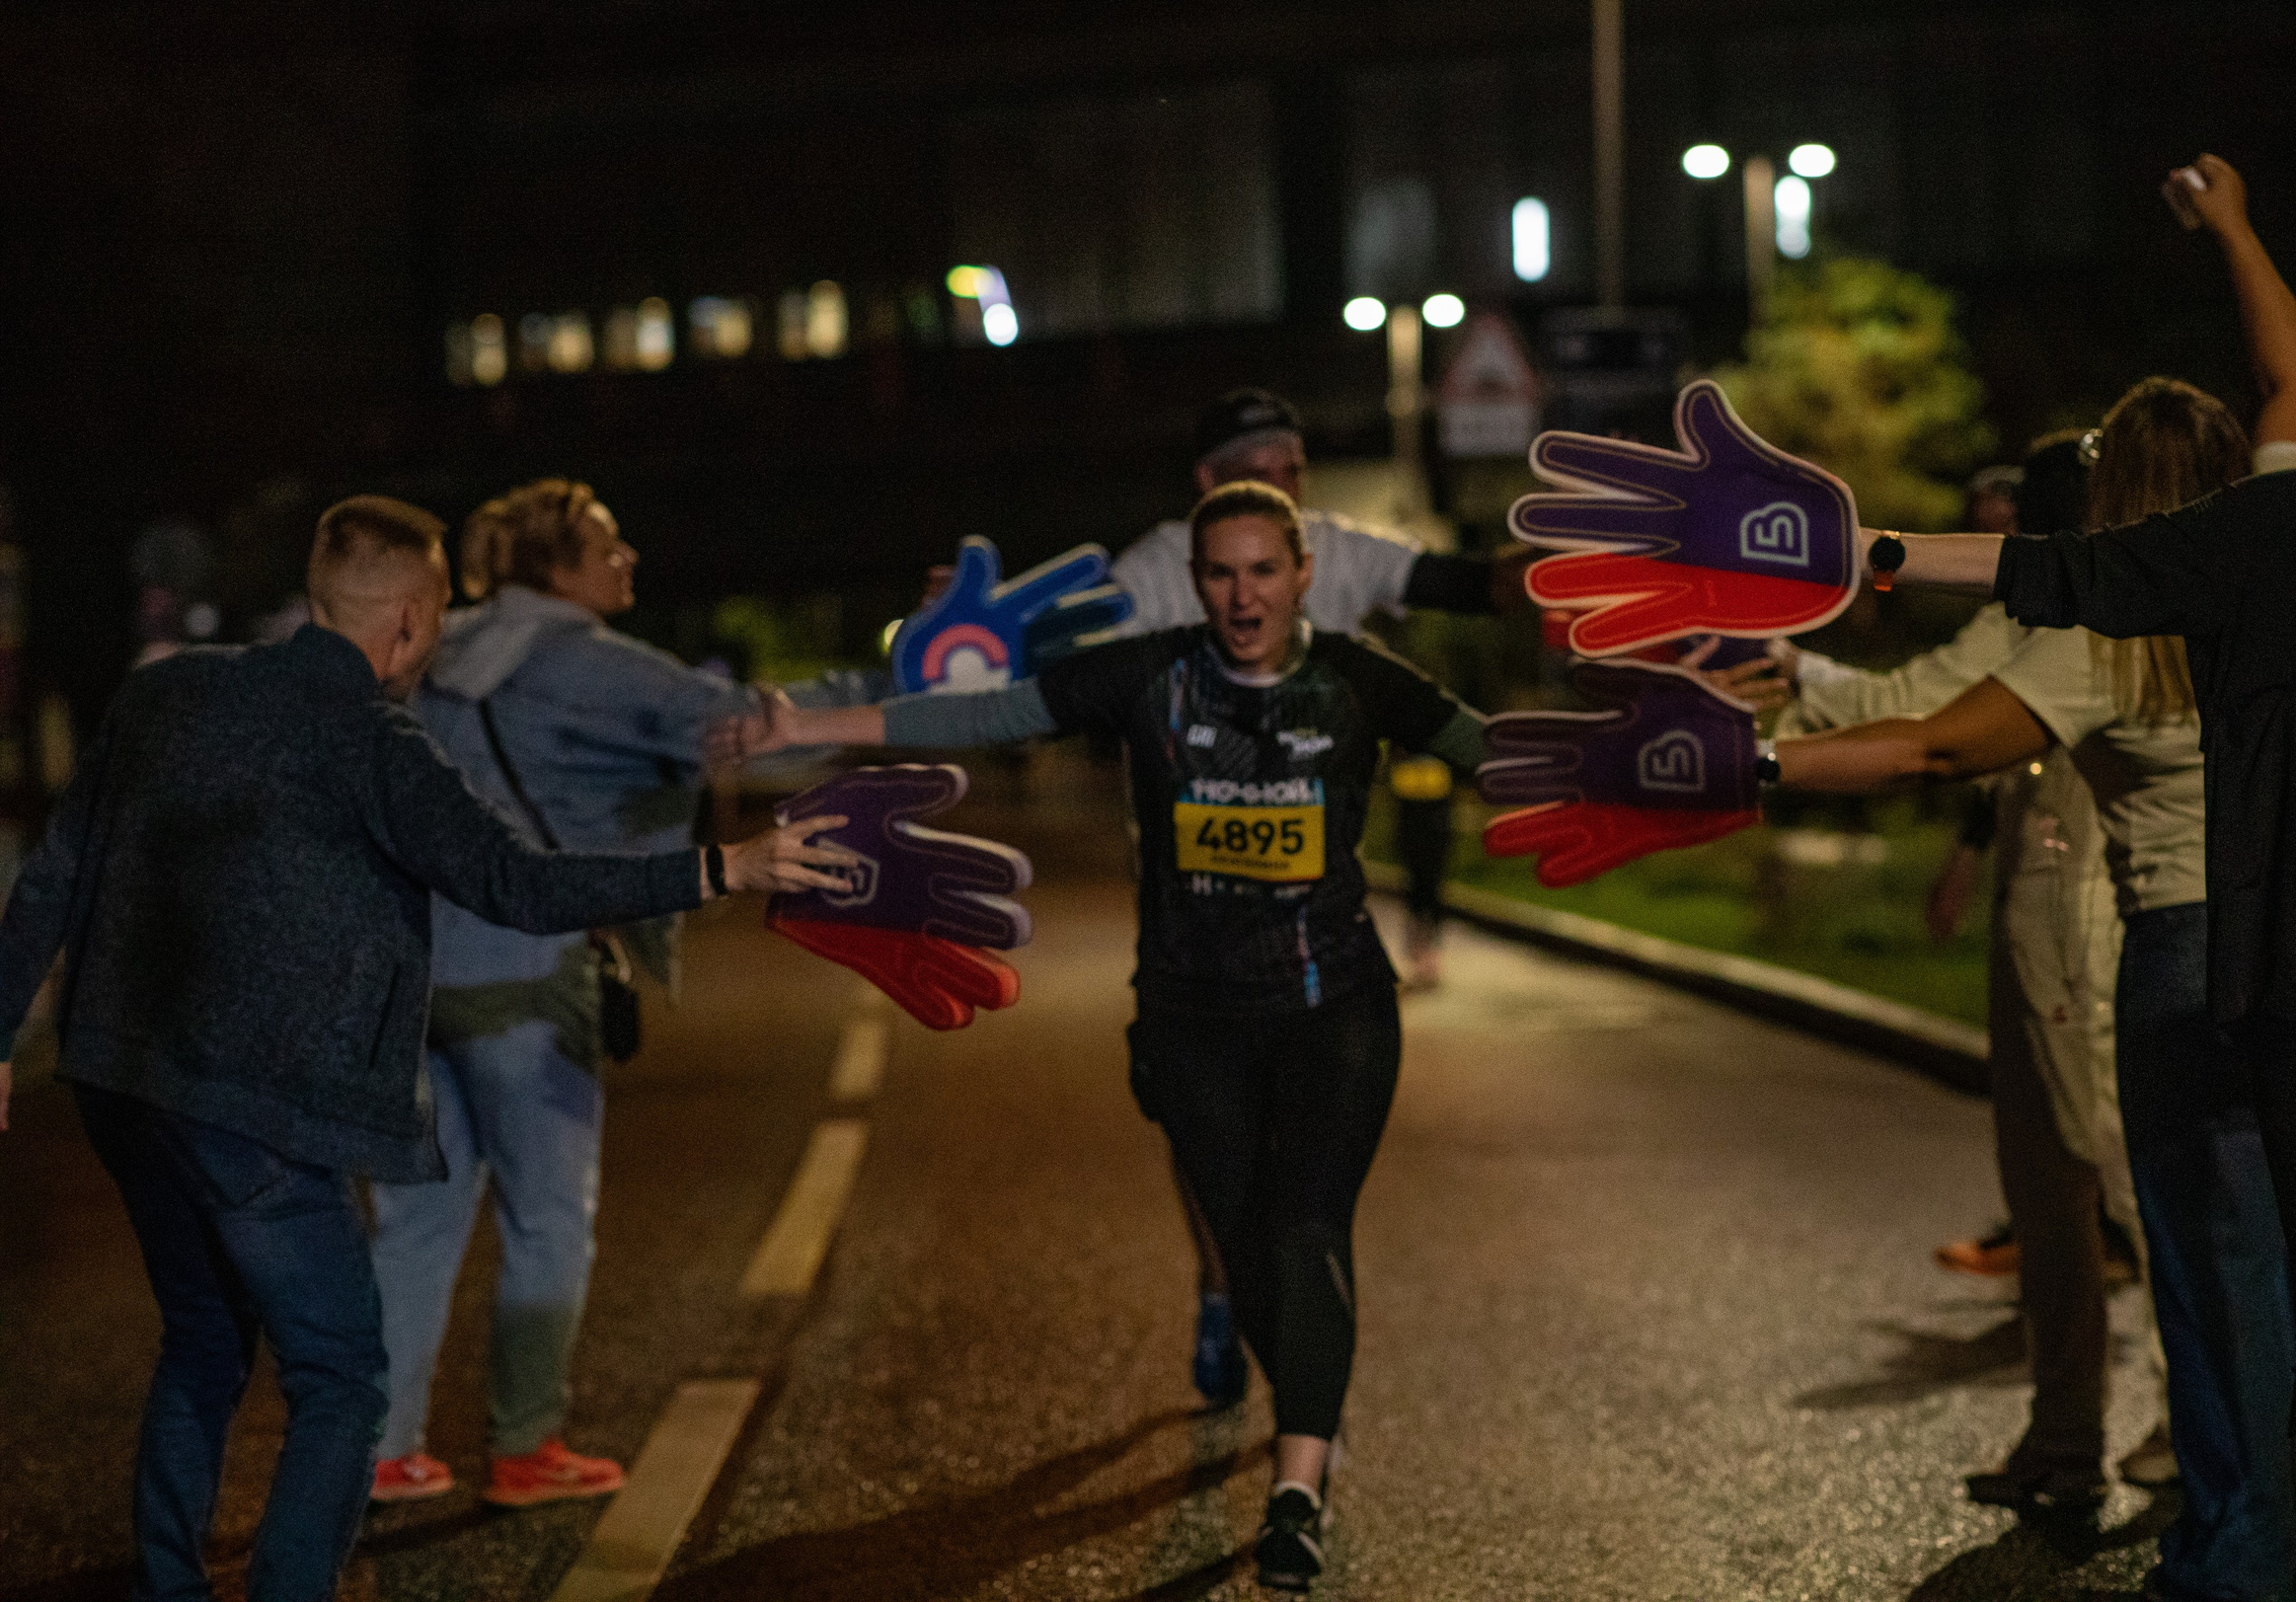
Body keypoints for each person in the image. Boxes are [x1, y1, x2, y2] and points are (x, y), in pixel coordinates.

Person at [1761, 159, 2296, 1601]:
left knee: (2207, 1273)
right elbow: (2291, 379)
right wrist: (2241, 227)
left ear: (2120, 500)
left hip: (2189, 963)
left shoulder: (2111, 634)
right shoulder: (2293, 558)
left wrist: (1754, 765)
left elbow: (1938, 749)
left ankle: (2240, 1544)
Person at [0, 497, 850, 1602]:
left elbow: (58, 869)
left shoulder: (165, 693)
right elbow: (513, 883)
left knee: (205, 1344)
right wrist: (718, 870)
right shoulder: (371, 739)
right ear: (408, 621)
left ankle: (170, 1586)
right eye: (436, 621)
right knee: (342, 1378)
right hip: (254, 1105)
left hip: (122, 1079)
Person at [731, 481, 1488, 1593]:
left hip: (1335, 1007)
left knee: (1305, 1224)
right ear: (1196, 584)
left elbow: (1501, 752)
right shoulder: (1153, 674)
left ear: (1302, 575)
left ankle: (1295, 1487)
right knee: (1240, 1238)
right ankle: (1309, 1409)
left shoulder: (1361, 682)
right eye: (1221, 574)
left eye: (1264, 571)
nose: (1243, 596)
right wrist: (810, 726)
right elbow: (994, 711)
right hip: (1191, 1017)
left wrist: (1700, 758)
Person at [368, 479, 852, 1508]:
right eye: (607, 542)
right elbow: (759, 730)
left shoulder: (435, 650)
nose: (626, 557)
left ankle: (384, 1449)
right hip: (531, 972)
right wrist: (914, 683)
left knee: (416, 1221)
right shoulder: (592, 665)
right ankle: (525, 1445)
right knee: (548, 1216)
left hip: (414, 973)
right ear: (559, 565)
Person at [1761, 431, 2165, 1510]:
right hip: (2037, 905)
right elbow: (1938, 713)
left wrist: (1766, 729)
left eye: (2010, 516)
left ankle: (2189, 1421)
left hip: (2085, 912)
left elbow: (1927, 729)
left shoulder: (2096, 610)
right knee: (2045, 1192)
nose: (1991, 534)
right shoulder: (2036, 607)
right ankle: (2067, 1430)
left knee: (2124, 1180)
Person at [1105, 388, 1518, 1405]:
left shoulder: (1335, 546)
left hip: (1316, 899)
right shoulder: (1154, 566)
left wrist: (1617, 567)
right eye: (1261, 464)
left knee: (1306, 1140)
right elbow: (1048, 649)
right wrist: (971, 631)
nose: (1286, 481)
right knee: (1208, 1125)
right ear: (1207, 487)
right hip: (1185, 893)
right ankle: (1218, 1282)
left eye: (1294, 463)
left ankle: (1294, 1314)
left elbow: (1472, 584)